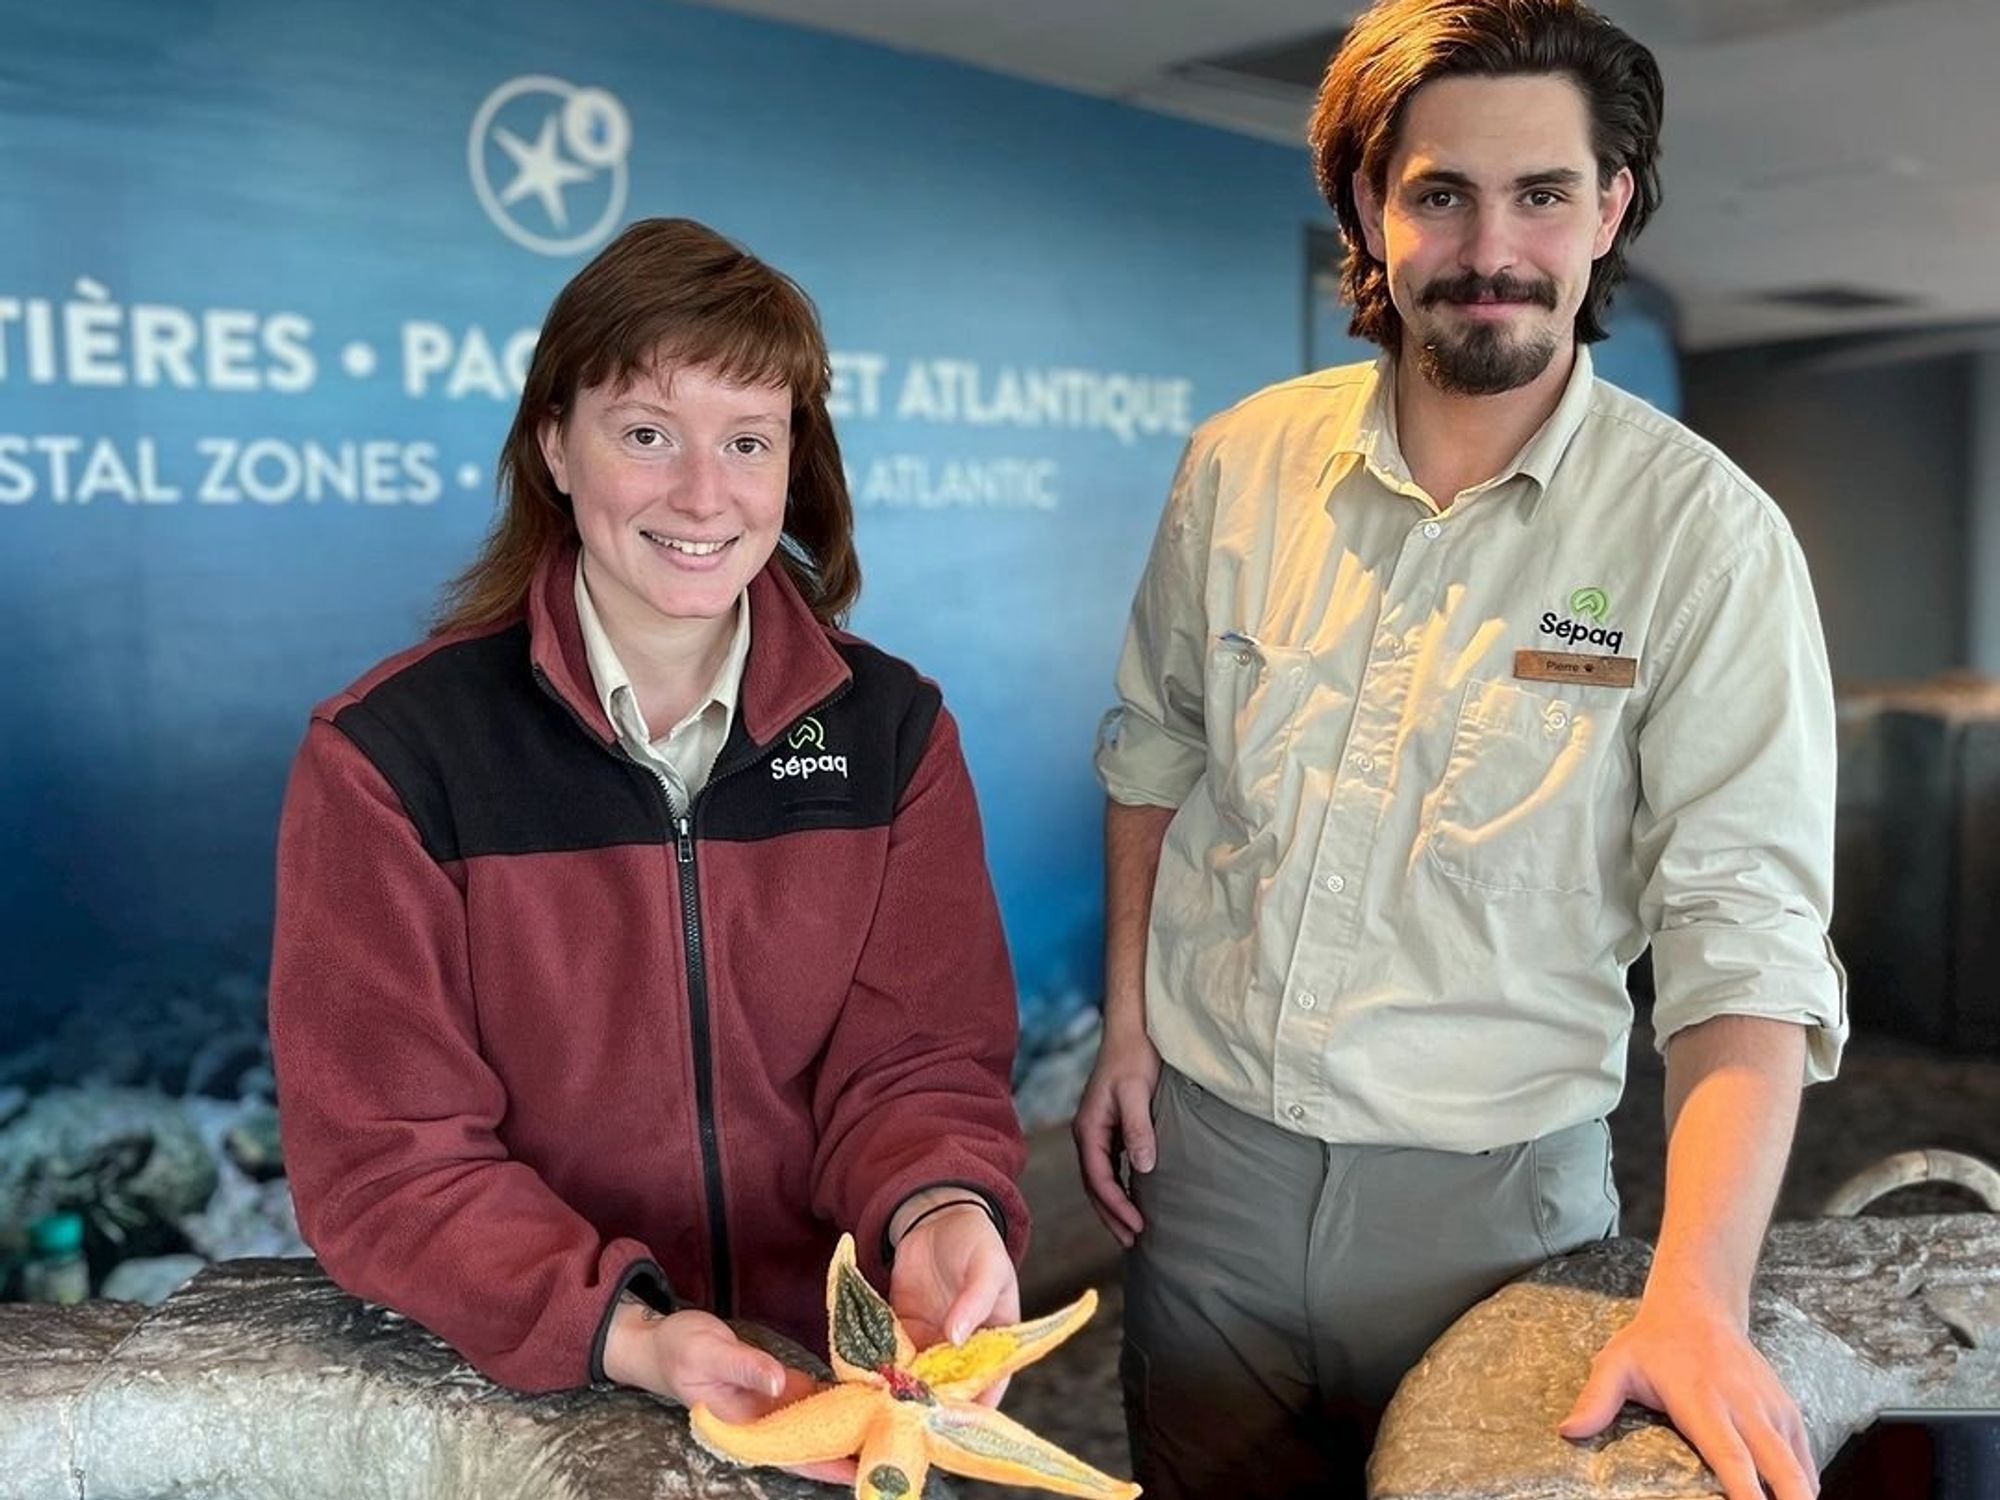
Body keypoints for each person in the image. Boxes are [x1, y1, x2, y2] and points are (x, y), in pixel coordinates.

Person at [1075, 3, 1844, 1498]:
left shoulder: (1706, 541)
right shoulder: (1239, 466)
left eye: (1544, 194)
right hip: (1209, 1180)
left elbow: (1742, 940)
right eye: (1440, 194)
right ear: (1371, 206)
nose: (1493, 247)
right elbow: (1154, 750)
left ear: (1610, 205)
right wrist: (1122, 1027)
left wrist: (1697, 1293)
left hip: (1499, 1214)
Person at [270, 219, 1027, 1453]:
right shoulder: (389, 756)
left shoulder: (893, 733)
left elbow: (918, 1066)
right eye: (645, 435)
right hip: (532, 1387)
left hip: (823, 1380)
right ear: (554, 446)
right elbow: (387, 1159)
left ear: (794, 466)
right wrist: (629, 1332)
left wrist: (940, 1207)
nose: (701, 495)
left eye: (746, 441)